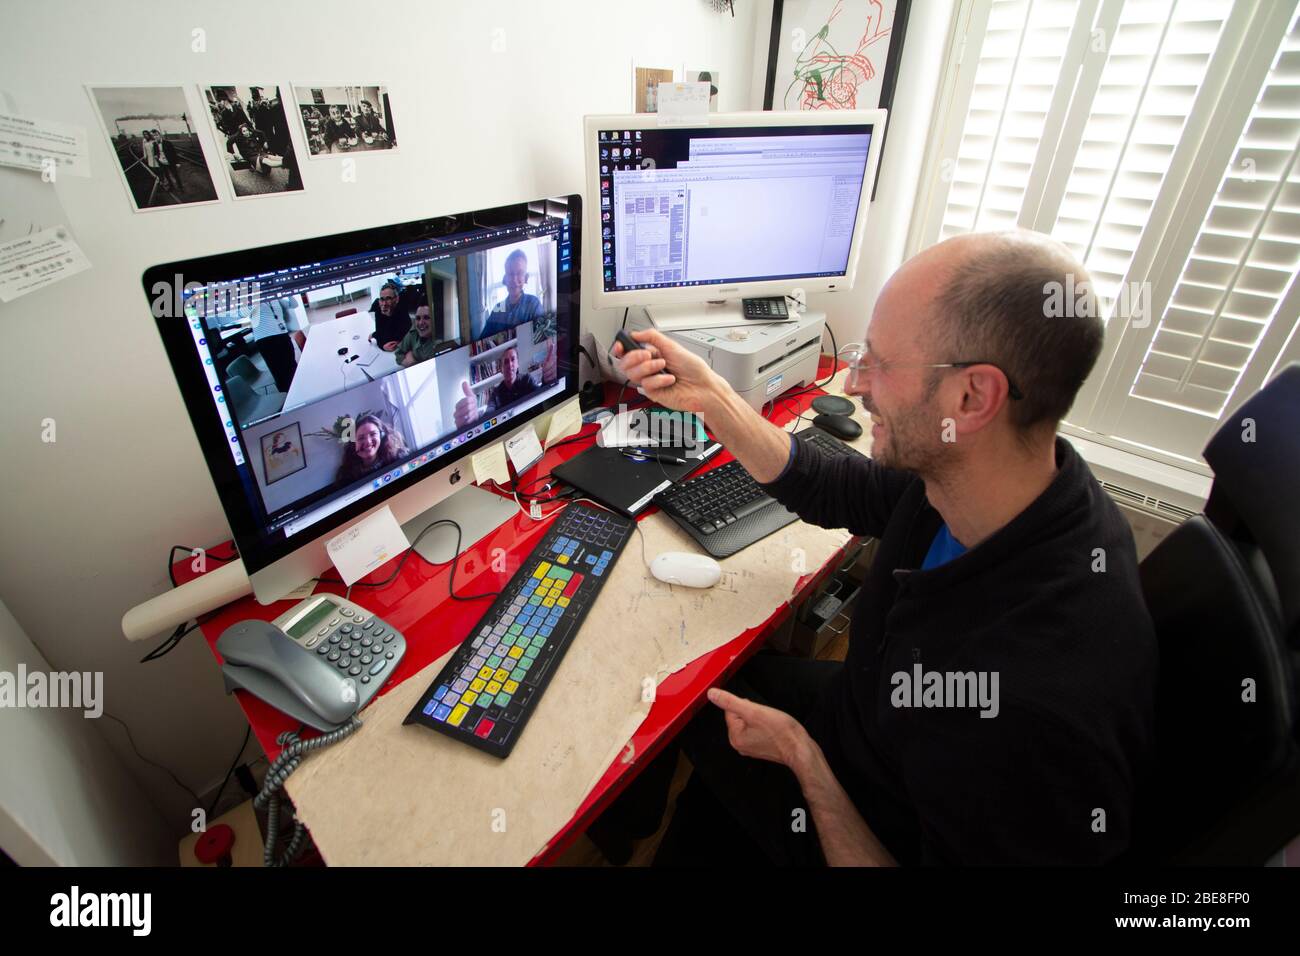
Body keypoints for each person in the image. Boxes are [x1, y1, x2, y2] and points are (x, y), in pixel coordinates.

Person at [606, 230, 1157, 866]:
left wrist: (804, 762)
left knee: (672, 710)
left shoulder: (1031, 711)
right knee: (682, 691)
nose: (856, 383)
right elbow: (832, 486)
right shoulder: (996, 476)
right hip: (867, 720)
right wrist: (712, 398)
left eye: (880, 362)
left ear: (972, 397)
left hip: (864, 811)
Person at [452, 344, 542, 427]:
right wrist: (476, 419)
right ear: (501, 369)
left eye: (513, 359)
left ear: (517, 364)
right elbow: (489, 414)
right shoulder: (496, 393)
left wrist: (547, 381)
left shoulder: (527, 379)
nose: (510, 364)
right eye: (506, 362)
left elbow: (541, 396)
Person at [247, 295, 302, 395]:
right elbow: (243, 312)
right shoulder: (252, 299)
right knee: (278, 370)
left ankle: (299, 389)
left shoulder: (275, 298)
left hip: (282, 335)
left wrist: (288, 293)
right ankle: (287, 395)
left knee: (291, 364)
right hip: (265, 339)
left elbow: (294, 304)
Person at [481, 249, 542, 338]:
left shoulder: (533, 304)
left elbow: (540, 338)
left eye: (520, 273)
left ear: (526, 277)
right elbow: (483, 338)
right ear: (505, 279)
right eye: (510, 274)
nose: (514, 280)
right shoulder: (498, 308)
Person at [335, 414, 408, 483]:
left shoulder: (398, 458)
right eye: (361, 438)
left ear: (382, 437)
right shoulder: (345, 474)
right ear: (354, 444)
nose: (368, 442)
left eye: (373, 434)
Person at [369, 280, 411, 351]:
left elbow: (402, 337)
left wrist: (375, 335)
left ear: (397, 299)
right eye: (382, 299)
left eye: (388, 298)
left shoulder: (402, 309)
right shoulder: (379, 307)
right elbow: (380, 332)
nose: (384, 304)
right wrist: (382, 346)